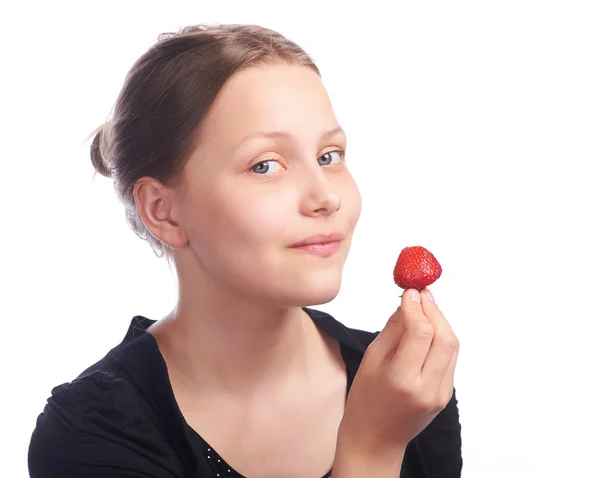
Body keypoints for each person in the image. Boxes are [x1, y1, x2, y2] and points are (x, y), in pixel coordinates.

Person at [27, 23, 462, 478]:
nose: (325, 196)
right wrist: (371, 449)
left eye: (329, 156)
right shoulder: (91, 433)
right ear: (164, 212)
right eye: (265, 165)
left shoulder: (409, 389)